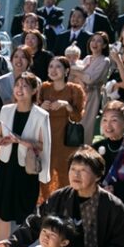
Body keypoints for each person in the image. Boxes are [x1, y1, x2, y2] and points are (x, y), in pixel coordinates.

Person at [0, 73, 51, 244]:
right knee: (2, 212)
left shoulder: (41, 115)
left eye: (25, 86)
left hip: (26, 170)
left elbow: (43, 145)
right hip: (5, 167)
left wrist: (20, 141)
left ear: (34, 90)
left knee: (23, 215)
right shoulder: (6, 110)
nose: (20, 89)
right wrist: (2, 140)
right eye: (17, 85)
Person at [39, 56, 86, 199]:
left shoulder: (74, 89)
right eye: (51, 66)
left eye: (58, 66)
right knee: (45, 173)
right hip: (45, 136)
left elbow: (78, 117)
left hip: (66, 139)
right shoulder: (44, 88)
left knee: (65, 173)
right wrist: (41, 107)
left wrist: (67, 105)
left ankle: (67, 202)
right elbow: (35, 113)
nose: (53, 70)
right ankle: (46, 204)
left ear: (66, 71)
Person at [69, 32, 111, 143]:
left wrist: (76, 73)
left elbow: (91, 79)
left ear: (104, 45)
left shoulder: (104, 60)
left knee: (86, 125)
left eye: (99, 41)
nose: (95, 43)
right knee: (74, 121)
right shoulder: (87, 58)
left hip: (92, 95)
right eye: (93, 40)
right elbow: (73, 77)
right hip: (79, 94)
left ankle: (85, 149)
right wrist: (80, 79)